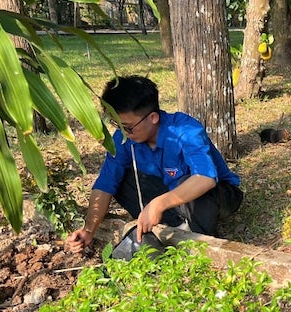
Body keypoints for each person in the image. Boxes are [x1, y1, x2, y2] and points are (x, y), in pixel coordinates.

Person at [66, 75, 243, 253]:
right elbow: (105, 184)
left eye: (128, 127)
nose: (124, 132)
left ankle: (197, 243)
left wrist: (158, 204)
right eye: (117, 125)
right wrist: (89, 229)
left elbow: (205, 179)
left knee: (188, 182)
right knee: (120, 180)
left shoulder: (184, 130)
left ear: (153, 117)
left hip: (218, 194)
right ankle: (173, 227)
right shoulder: (123, 138)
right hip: (172, 196)